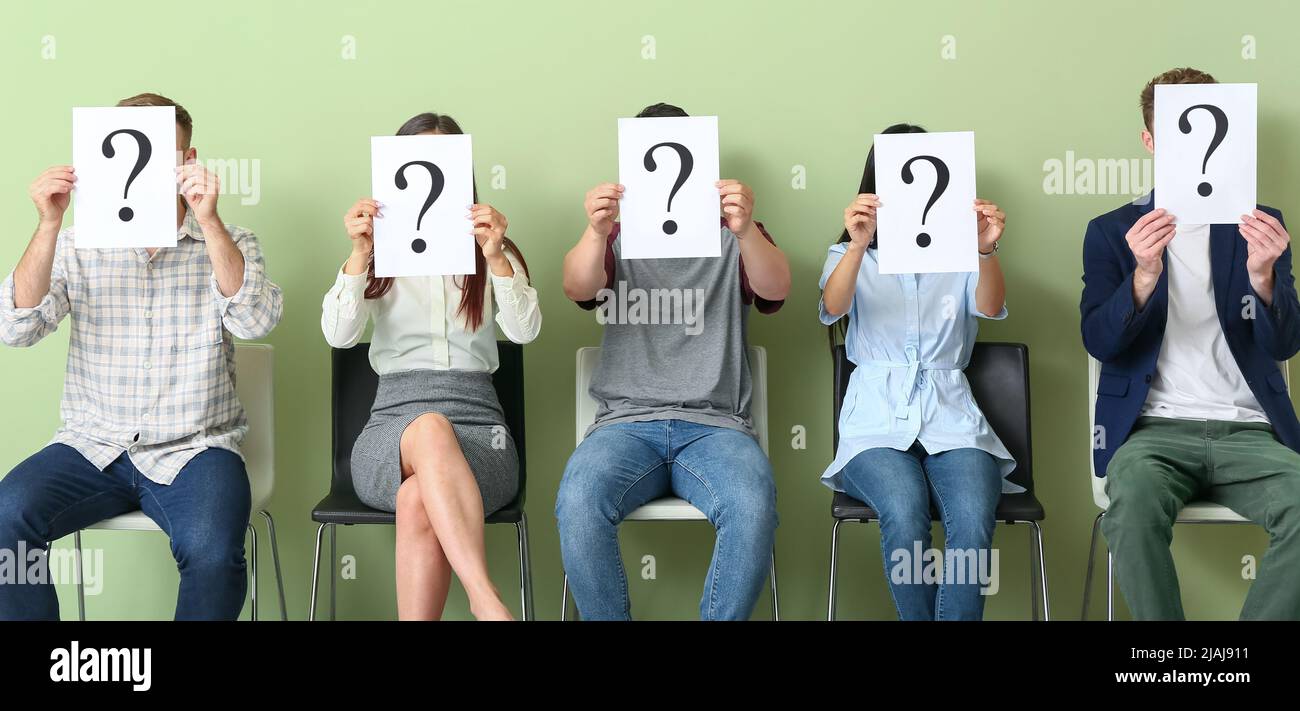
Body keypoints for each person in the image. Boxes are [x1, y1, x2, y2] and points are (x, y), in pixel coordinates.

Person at [0, 93, 283, 620]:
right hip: (91, 446)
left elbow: (254, 321)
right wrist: (47, 226)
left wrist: (212, 221)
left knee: (214, 554)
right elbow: (16, 328)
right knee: (5, 516)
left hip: (196, 448)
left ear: (188, 159)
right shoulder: (75, 244)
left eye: (163, 153)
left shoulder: (233, 240)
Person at [555, 102, 790, 620]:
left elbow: (778, 288)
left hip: (716, 427)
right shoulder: (616, 235)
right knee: (577, 502)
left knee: (752, 506)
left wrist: (747, 228)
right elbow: (577, 286)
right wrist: (594, 232)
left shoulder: (736, 231)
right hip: (624, 424)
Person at [1081, 67, 1300, 620]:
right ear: (1151, 141)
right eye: (1179, 134)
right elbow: (1100, 341)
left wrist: (1265, 279)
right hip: (1152, 435)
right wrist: (1143, 277)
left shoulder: (1261, 226)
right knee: (1128, 509)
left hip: (1249, 432)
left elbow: (1286, 343)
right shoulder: (1112, 233)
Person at [321, 113, 540, 621]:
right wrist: (358, 253)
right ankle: (486, 601)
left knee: (419, 495)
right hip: (389, 435)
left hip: (483, 436)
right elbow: (338, 334)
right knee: (428, 428)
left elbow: (525, 332)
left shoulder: (495, 253)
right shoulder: (376, 256)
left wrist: (497, 258)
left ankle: (483, 603)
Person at [819, 123, 1017, 620]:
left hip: (953, 418)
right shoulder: (848, 255)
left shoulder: (963, 256)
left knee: (972, 517)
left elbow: (990, 308)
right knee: (904, 510)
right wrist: (860, 245)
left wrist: (986, 249)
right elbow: (832, 306)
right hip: (874, 424)